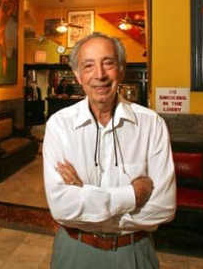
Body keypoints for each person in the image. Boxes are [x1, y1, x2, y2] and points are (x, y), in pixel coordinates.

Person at [43, 32, 176, 269]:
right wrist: (134, 195)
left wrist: (84, 194)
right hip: (74, 250)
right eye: (88, 65)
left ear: (121, 69)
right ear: (77, 74)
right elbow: (62, 208)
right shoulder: (59, 124)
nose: (100, 75)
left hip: (133, 252)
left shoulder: (151, 124)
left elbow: (163, 209)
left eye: (109, 63)